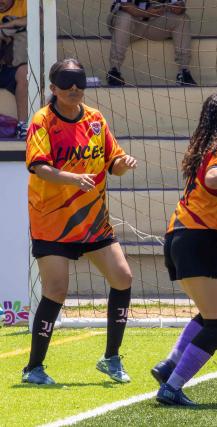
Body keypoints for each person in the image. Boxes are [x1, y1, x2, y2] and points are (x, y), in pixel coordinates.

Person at [23, 58, 137, 385]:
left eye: (79, 83)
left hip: (93, 220)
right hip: (51, 220)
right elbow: (39, 167)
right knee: (56, 291)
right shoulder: (42, 121)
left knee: (123, 277)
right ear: (53, 88)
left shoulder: (96, 119)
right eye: (67, 83)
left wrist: (122, 163)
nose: (74, 89)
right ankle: (34, 367)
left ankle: (112, 358)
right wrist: (73, 179)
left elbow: (111, 161)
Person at [150, 89, 217, 406]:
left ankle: (169, 366)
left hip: (183, 237)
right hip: (198, 238)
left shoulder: (210, 145)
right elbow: (214, 177)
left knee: (211, 317)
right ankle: (172, 387)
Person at [106, 0, 196, 86]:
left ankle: (184, 72)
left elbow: (180, 5)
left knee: (183, 19)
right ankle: (114, 71)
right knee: (124, 17)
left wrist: (178, 8)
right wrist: (147, 13)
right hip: (130, 26)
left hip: (154, 23)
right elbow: (125, 5)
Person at [0, 0, 27, 138]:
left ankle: (23, 127)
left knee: (25, 72)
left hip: (12, 68)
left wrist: (11, 24)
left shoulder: (24, 4)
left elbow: (42, 17)